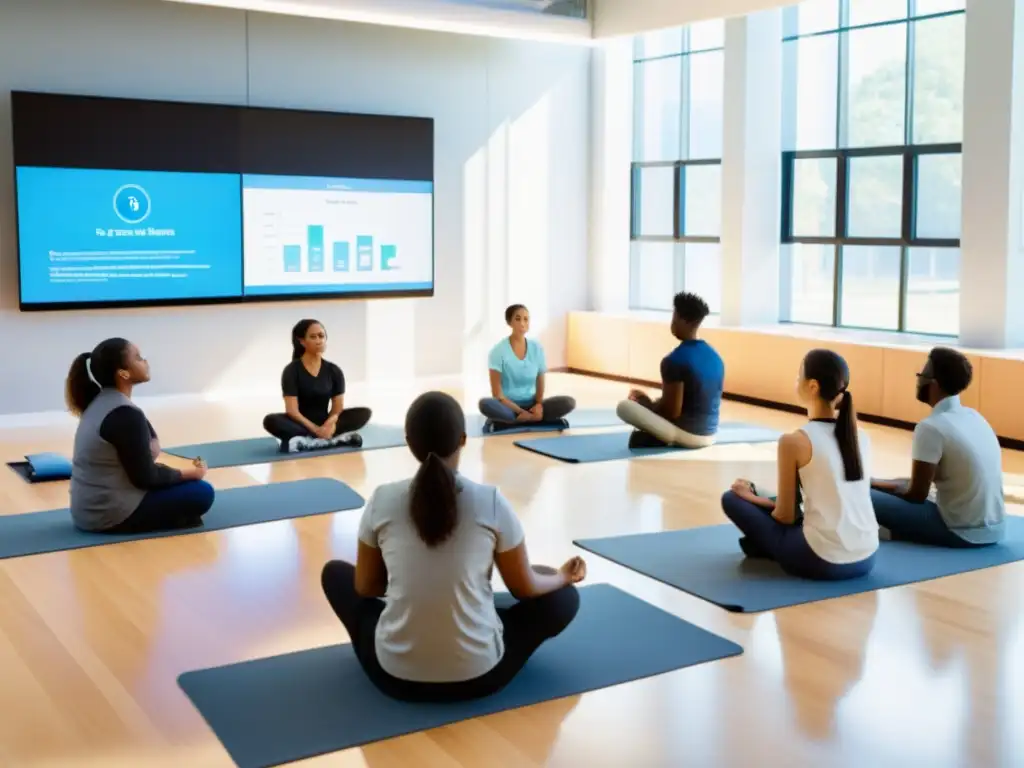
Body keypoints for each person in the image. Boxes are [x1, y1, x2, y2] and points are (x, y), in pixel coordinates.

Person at [321, 390, 585, 702]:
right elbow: (524, 588)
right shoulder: (490, 501)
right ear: (462, 440)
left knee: (335, 575)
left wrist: (411, 583)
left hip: (393, 677)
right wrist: (563, 577)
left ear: (409, 441)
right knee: (561, 596)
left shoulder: (382, 499)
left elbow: (366, 587)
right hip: (481, 676)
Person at [720, 349, 878, 581]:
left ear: (812, 386)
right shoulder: (861, 436)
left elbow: (785, 516)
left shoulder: (794, 441)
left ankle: (762, 544)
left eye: (798, 376)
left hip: (823, 560)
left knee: (731, 498)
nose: (796, 381)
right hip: (867, 558)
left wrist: (748, 496)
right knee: (774, 501)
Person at [66, 338, 214, 533]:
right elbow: (146, 478)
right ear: (123, 374)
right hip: (108, 515)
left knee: (181, 485)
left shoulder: (104, 403)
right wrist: (192, 474)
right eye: (138, 358)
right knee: (202, 492)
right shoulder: (124, 414)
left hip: (86, 512)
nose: (145, 362)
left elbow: (140, 466)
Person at [870, 347, 1005, 547]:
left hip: (959, 532)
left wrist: (871, 487)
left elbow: (916, 494)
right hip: (995, 530)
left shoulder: (930, 428)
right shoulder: (974, 417)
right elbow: (921, 483)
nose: (918, 380)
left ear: (933, 383)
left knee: (859, 494)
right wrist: (876, 481)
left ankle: (892, 532)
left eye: (921, 374)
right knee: (875, 486)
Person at [617, 292, 724, 449]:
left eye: (674, 317)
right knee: (650, 403)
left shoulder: (674, 360)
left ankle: (659, 438)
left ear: (683, 320)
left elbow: (671, 412)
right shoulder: (716, 357)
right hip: (711, 434)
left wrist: (644, 404)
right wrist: (653, 402)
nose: (672, 322)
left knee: (624, 407)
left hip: (689, 435)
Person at [263, 319, 372, 452]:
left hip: (324, 422)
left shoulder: (334, 370)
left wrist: (329, 426)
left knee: (364, 413)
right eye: (313, 337)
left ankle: (310, 441)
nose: (319, 340)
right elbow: (292, 411)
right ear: (302, 341)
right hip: (301, 424)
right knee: (271, 421)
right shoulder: (291, 371)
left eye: (321, 336)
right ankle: (331, 440)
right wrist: (316, 430)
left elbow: (337, 408)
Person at [478, 304, 576, 432]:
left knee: (568, 402)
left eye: (526, 319)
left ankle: (513, 423)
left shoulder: (537, 349)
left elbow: (540, 383)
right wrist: (519, 411)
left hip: (532, 405)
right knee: (485, 404)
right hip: (508, 406)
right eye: (518, 319)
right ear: (509, 322)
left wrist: (539, 405)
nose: (523, 323)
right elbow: (498, 394)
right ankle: (525, 419)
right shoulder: (498, 351)